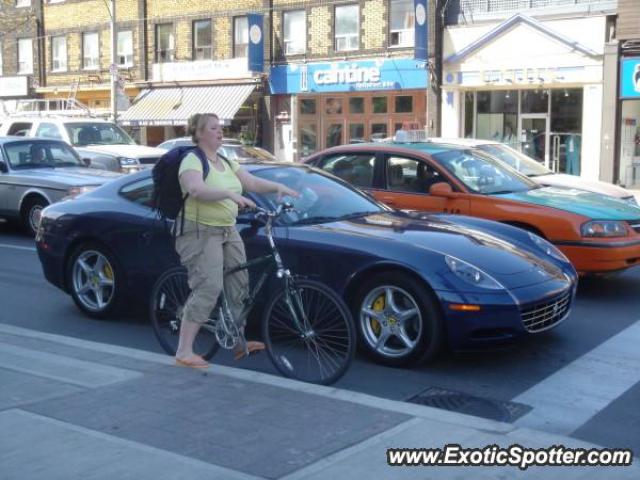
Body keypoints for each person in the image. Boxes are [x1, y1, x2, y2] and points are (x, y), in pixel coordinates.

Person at [174, 113, 298, 368]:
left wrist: (277, 188)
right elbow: (196, 189)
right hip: (199, 231)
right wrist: (230, 194)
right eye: (213, 128)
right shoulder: (192, 160)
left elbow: (251, 182)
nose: (219, 131)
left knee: (240, 285)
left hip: (227, 229)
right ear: (198, 133)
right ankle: (184, 351)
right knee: (209, 286)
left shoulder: (226, 161)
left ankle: (238, 341)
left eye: (220, 127)